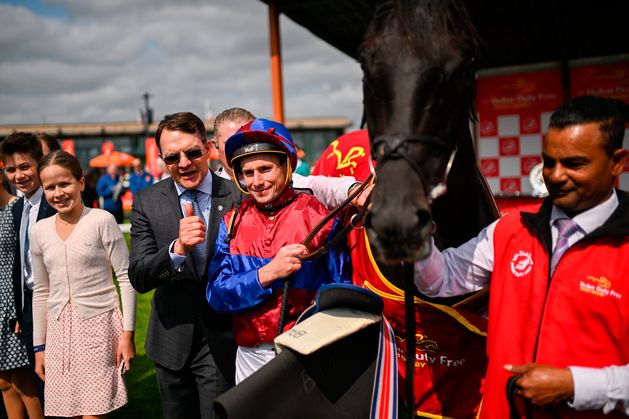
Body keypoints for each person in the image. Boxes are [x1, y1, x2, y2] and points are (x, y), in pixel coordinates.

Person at [413, 96, 629, 418]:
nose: (555, 176)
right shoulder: (511, 227)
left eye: (574, 164)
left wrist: (576, 385)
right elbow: (440, 280)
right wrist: (416, 236)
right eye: (548, 162)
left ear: (617, 162)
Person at [206, 118, 351, 383]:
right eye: (248, 173)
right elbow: (216, 294)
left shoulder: (320, 218)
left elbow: (342, 294)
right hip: (249, 359)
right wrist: (267, 273)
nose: (257, 181)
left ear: (287, 166)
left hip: (306, 356)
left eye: (265, 169)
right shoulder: (232, 221)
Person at [128, 112, 240, 419]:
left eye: (192, 152)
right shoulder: (146, 201)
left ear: (207, 149)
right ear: (163, 159)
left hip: (221, 338)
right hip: (171, 339)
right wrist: (176, 250)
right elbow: (139, 277)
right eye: (173, 157)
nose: (184, 163)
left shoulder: (236, 195)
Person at [30, 151, 136, 418]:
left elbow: (125, 277)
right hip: (57, 335)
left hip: (98, 329)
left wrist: (127, 335)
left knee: (94, 414)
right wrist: (39, 347)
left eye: (64, 184)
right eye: (50, 188)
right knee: (68, 414)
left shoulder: (101, 220)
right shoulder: (39, 230)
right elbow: (41, 290)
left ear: (81, 182)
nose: (58, 193)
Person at [211, 107, 364, 210]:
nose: (240, 150)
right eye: (230, 142)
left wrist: (354, 190)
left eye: (247, 140)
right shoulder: (207, 192)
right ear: (214, 145)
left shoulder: (285, 183)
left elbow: (322, 186)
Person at [0, 132, 56, 406]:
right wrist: (20, 311)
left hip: (57, 304)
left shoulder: (55, 201)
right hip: (30, 307)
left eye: (25, 167)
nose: (18, 175)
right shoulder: (17, 207)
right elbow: (17, 266)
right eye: (11, 169)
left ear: (40, 163)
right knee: (40, 381)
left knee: (59, 386)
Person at [0, 169, 44, 419]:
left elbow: (25, 264)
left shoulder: (18, 209)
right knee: (3, 382)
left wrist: (19, 308)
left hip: (13, 303)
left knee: (24, 381)